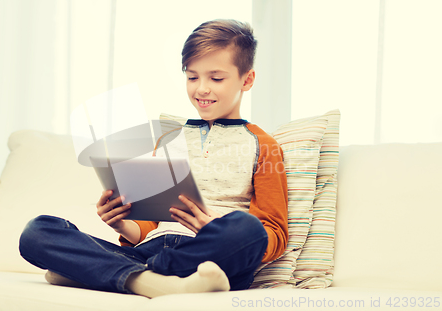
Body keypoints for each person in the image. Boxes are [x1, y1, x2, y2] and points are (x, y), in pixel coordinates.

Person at [19, 19, 288, 298]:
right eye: (192, 77)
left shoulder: (264, 146)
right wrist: (121, 223)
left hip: (210, 256)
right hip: (150, 251)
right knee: (38, 232)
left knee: (248, 230)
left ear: (247, 80)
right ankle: (154, 280)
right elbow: (150, 224)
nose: (201, 89)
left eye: (216, 78)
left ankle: (111, 273)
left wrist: (215, 227)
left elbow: (274, 234)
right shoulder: (167, 139)